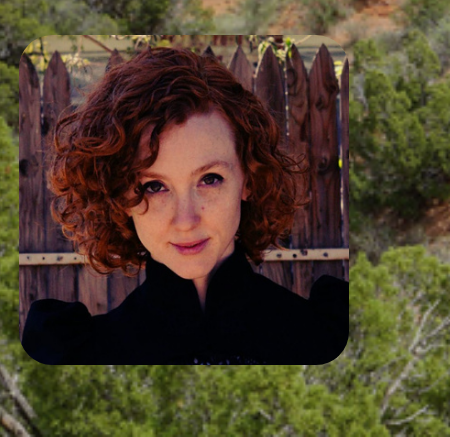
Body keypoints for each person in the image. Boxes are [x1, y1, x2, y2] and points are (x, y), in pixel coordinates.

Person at [22, 46, 348, 365]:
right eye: (154, 186)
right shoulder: (75, 356)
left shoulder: (330, 337)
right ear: (119, 197)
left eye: (210, 179)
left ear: (248, 180)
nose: (186, 221)